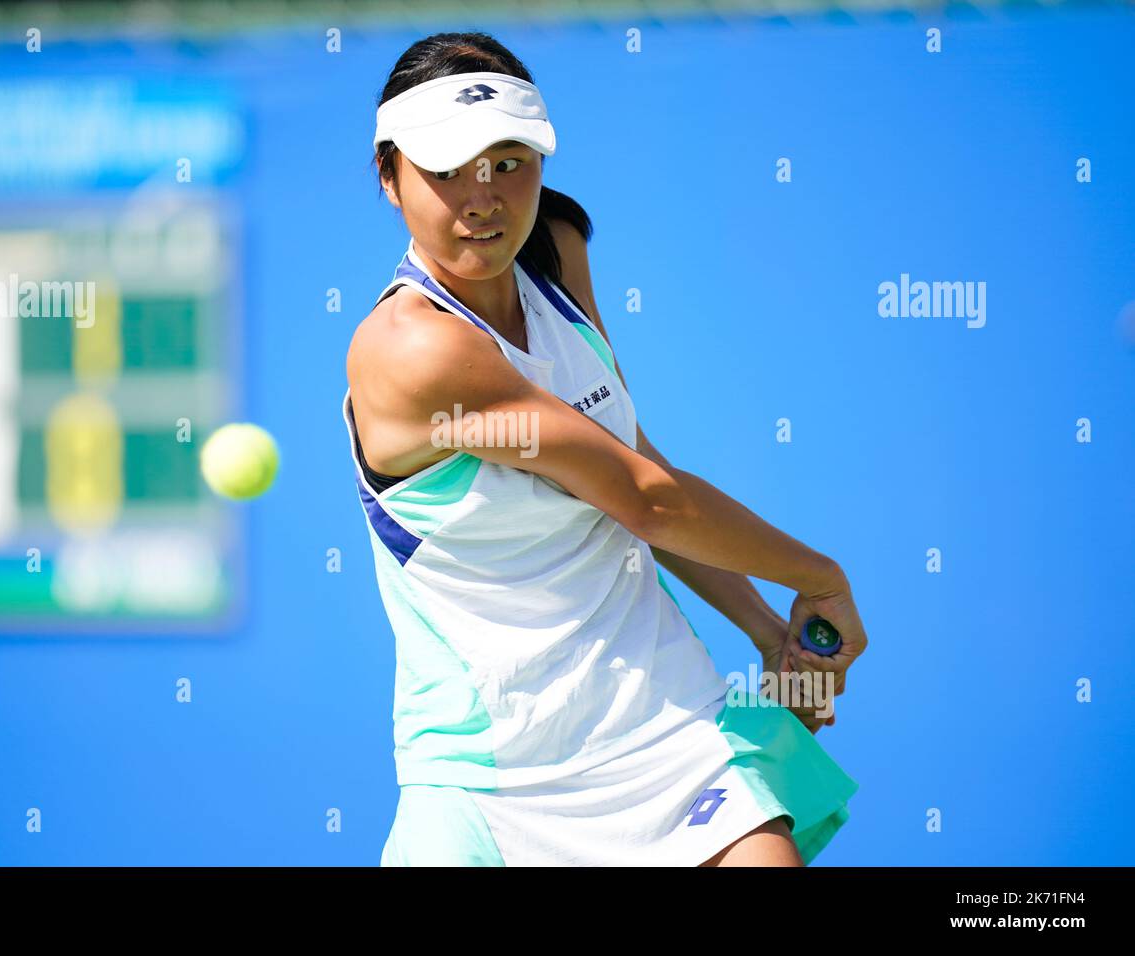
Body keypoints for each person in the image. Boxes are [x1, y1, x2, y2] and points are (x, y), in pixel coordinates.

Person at [342, 31, 867, 866]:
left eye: (509, 161)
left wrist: (770, 633)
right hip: (487, 786)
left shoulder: (554, 247)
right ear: (389, 177)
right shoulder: (413, 352)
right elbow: (645, 498)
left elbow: (630, 467)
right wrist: (820, 579)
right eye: (446, 170)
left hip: (669, 735)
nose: (483, 198)